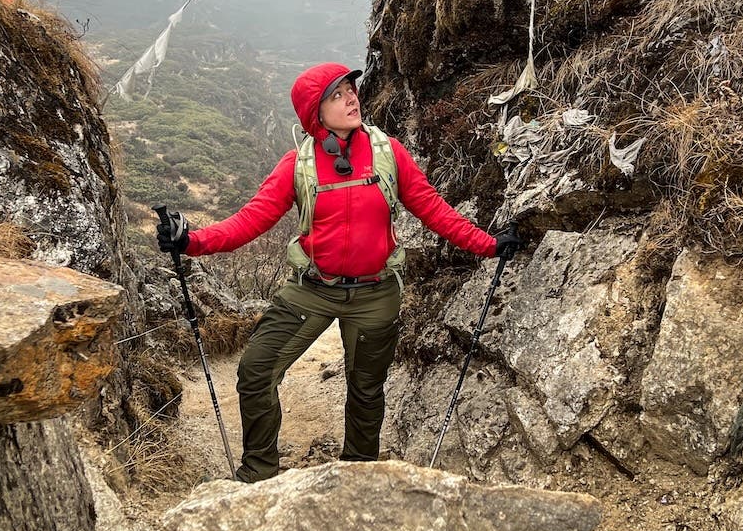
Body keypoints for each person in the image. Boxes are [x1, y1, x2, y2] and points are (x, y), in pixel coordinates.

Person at [156, 62, 520, 482]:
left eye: (350, 88)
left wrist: (490, 246)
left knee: (366, 390)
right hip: (312, 289)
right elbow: (248, 222)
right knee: (256, 370)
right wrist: (191, 241)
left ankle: (360, 474)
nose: (351, 97)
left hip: (375, 293)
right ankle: (258, 471)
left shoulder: (388, 154)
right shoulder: (298, 166)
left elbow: (434, 210)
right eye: (337, 94)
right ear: (316, 112)